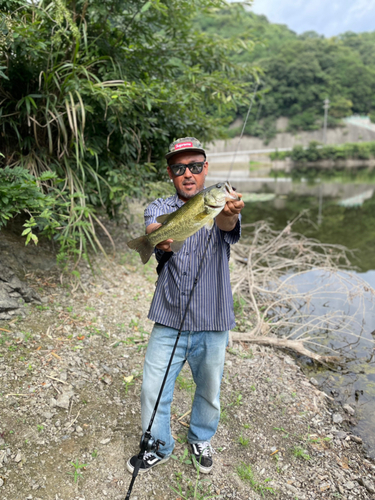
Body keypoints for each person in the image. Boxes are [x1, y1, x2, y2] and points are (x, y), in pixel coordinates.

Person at [127, 137, 244, 475]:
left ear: (205, 169)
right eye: (180, 168)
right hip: (169, 316)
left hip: (213, 318)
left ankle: (200, 437)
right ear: (170, 173)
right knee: (153, 386)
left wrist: (227, 212)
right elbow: (154, 228)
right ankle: (158, 444)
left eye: (195, 167)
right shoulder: (158, 205)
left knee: (209, 389)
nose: (188, 174)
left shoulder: (223, 205)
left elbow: (226, 225)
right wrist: (157, 238)